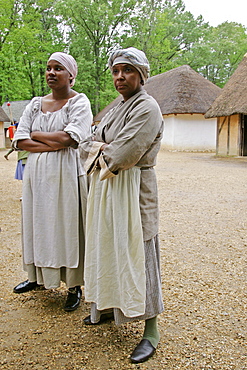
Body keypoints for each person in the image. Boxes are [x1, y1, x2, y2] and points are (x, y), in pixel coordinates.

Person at [79, 47, 164, 363]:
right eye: (115, 71)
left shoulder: (148, 108)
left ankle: (151, 330)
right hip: (108, 188)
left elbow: (123, 153)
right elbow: (88, 143)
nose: (119, 77)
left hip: (134, 190)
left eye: (127, 70)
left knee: (141, 253)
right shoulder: (117, 108)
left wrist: (103, 147)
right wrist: (102, 146)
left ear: (141, 74)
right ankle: (105, 306)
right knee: (108, 246)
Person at [12, 52, 93, 311]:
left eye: (58, 68)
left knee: (67, 226)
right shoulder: (36, 104)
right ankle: (38, 277)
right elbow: (19, 140)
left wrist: (37, 133)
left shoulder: (79, 102)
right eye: (48, 68)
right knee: (38, 223)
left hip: (66, 175)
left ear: (71, 75)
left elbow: (70, 139)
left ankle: (73, 286)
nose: (51, 72)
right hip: (37, 177)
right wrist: (51, 139)